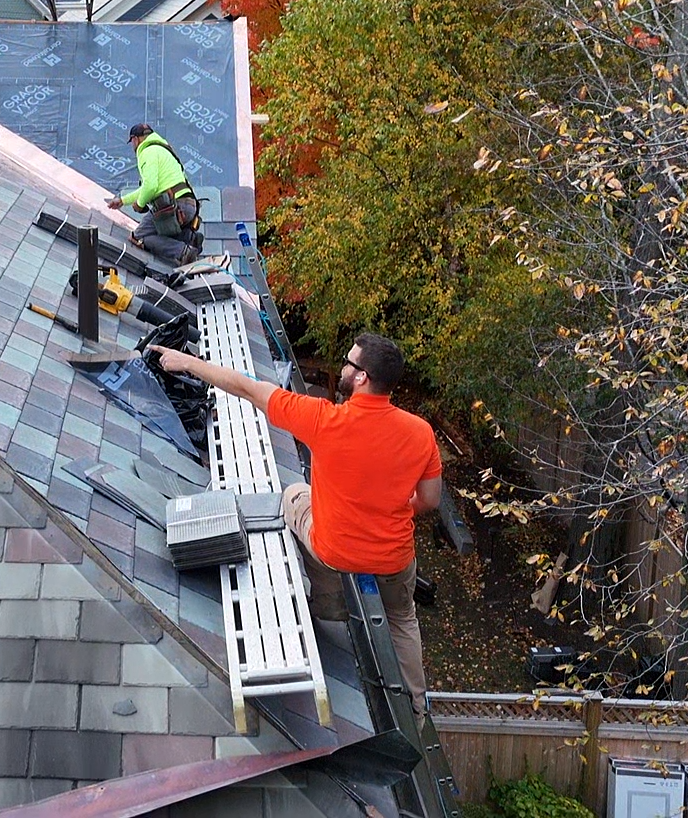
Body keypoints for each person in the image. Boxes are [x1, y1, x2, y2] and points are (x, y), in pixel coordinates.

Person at [150, 333, 442, 711]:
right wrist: (393, 505)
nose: (343, 367)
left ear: (362, 378)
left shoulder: (324, 420)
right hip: (394, 561)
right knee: (403, 618)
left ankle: (328, 606)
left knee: (294, 494)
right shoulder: (420, 433)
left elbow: (247, 387)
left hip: (333, 552)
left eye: (349, 363)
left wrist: (186, 362)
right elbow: (429, 500)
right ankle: (417, 704)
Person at [105, 123, 203, 265]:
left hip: (174, 207)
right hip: (189, 206)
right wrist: (122, 200)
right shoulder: (162, 149)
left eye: (132, 142)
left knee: (138, 236)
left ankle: (183, 252)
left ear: (135, 139)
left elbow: (150, 187)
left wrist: (139, 204)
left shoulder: (147, 152)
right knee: (159, 232)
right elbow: (149, 187)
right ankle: (188, 238)